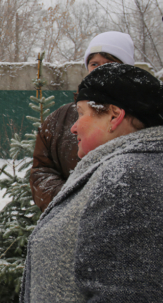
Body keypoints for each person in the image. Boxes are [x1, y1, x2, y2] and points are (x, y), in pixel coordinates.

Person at [16, 63, 163, 303]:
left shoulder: (130, 176)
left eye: (81, 113)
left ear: (114, 115)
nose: (73, 126)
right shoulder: (124, 168)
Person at [29, 31, 135, 211]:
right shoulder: (61, 118)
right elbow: (42, 171)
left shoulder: (141, 116)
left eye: (110, 63)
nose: (101, 69)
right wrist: (70, 203)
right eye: (94, 64)